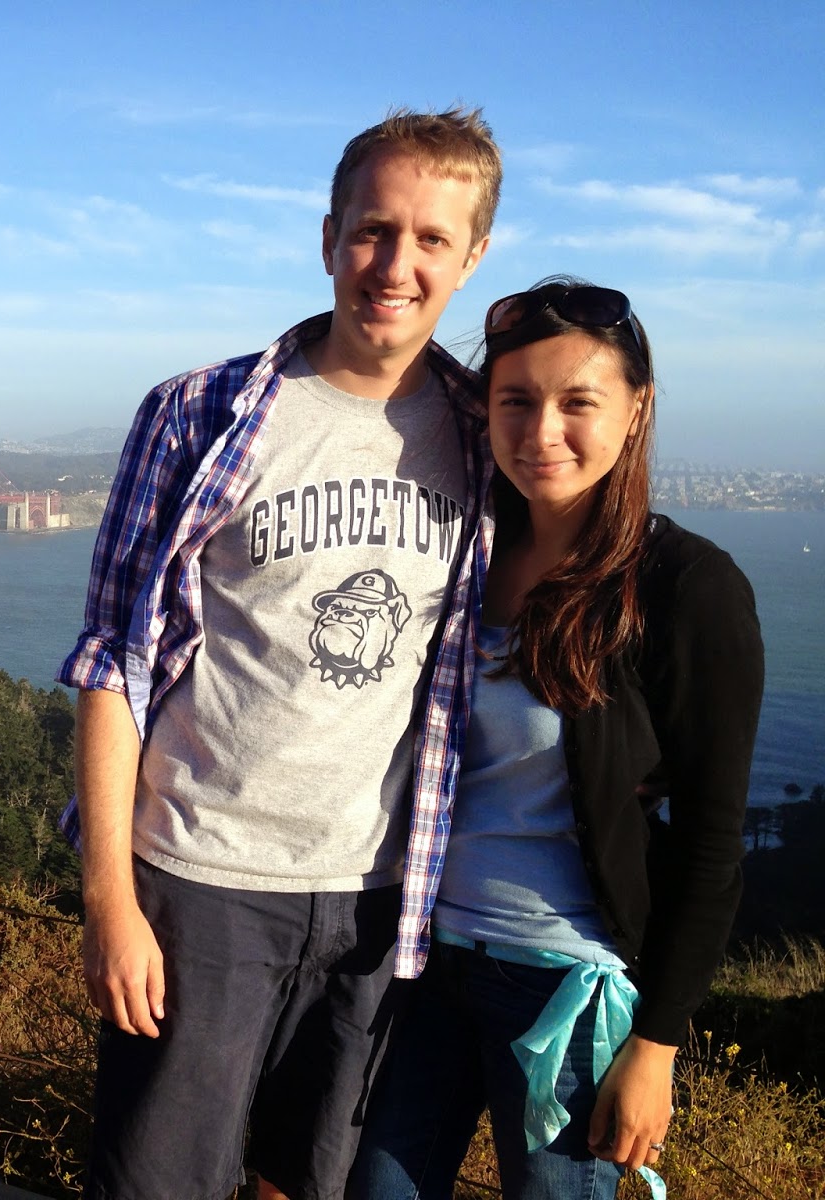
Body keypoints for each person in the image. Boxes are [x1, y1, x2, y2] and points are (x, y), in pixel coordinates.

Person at [57, 108, 502, 1200]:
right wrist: (111, 904)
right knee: (157, 1183)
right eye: (372, 231)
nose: (394, 265)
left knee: (307, 1183)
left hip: (377, 898)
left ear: (472, 257)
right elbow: (115, 662)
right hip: (200, 886)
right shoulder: (195, 414)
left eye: (430, 240)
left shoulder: (484, 429)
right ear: (327, 234)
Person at [349, 279, 764, 1199]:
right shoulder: (461, 555)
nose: (543, 431)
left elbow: (709, 843)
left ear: (636, 409)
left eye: (579, 402)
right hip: (423, 968)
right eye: (516, 400)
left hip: (565, 993)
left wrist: (656, 1044)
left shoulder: (685, 587)